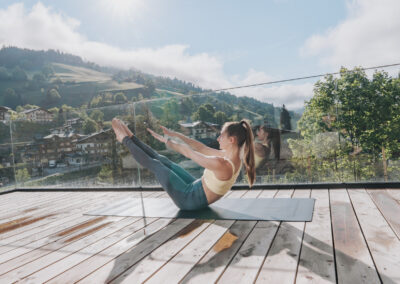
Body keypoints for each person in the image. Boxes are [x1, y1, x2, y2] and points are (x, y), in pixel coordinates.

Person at [112, 118, 256, 210]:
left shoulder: (223, 164)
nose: (218, 139)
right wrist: (175, 135)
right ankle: (132, 138)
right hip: (196, 186)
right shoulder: (232, 157)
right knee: (163, 160)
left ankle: (125, 139)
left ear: (232, 140)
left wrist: (167, 142)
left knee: (156, 165)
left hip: (189, 200)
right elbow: (201, 148)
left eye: (221, 136)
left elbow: (189, 153)